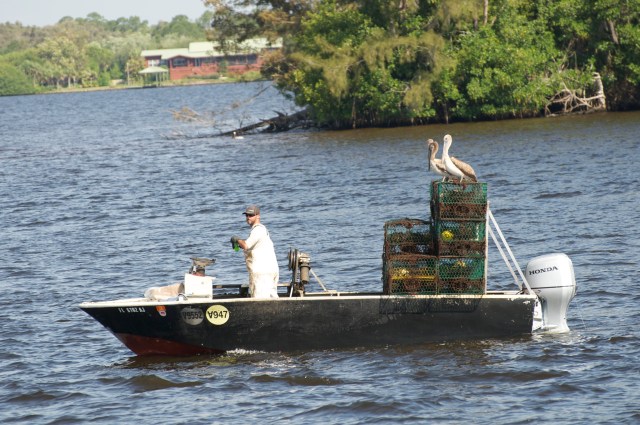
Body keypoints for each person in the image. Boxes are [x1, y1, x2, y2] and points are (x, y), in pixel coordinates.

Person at [231, 205, 279, 298]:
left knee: (260, 301)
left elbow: (245, 245)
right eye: (247, 215)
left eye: (251, 215)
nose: (248, 217)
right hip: (270, 270)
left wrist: (236, 240)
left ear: (258, 216)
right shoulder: (262, 230)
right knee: (272, 299)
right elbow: (253, 247)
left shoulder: (258, 230)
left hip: (263, 272)